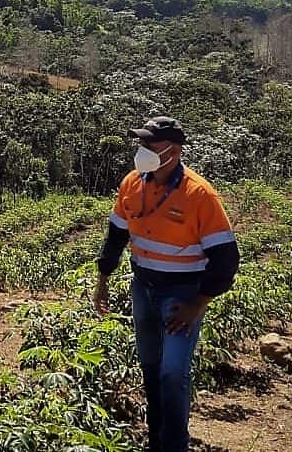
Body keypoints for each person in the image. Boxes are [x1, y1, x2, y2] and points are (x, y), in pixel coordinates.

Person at [93, 116, 240, 452]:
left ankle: (175, 444)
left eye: (150, 145)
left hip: (181, 293)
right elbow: (115, 235)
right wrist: (102, 279)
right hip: (142, 287)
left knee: (173, 372)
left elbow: (226, 259)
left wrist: (197, 304)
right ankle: (156, 436)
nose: (142, 150)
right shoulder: (132, 183)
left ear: (172, 152)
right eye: (141, 144)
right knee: (150, 366)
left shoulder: (199, 195)